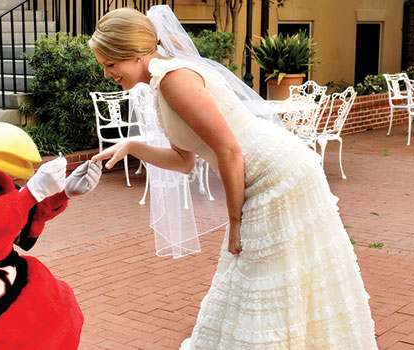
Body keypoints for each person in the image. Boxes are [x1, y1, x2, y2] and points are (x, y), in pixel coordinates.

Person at [88, 6, 377, 349]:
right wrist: (133, 145)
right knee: (261, 279)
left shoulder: (174, 80)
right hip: (258, 175)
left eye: (111, 65)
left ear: (135, 55)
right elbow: (184, 161)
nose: (108, 75)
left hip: (278, 175)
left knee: (266, 277)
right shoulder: (160, 85)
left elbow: (229, 151)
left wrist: (235, 221)